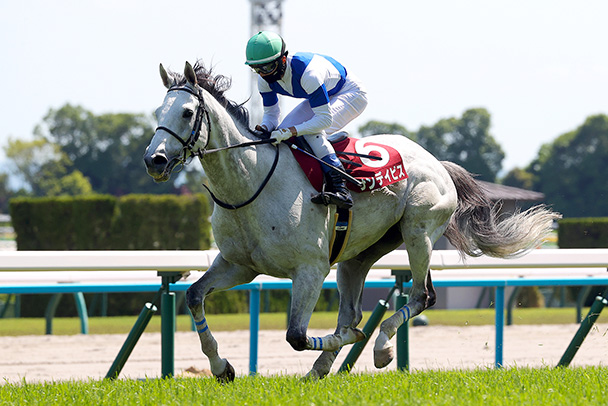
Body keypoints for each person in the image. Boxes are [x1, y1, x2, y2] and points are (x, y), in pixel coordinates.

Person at [245, 31, 368, 210]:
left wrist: (291, 131)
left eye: (267, 67)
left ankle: (341, 188)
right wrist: (263, 129)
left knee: (310, 132)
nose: (263, 74)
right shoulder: (263, 80)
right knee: (281, 132)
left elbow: (324, 120)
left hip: (351, 93)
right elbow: (271, 115)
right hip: (324, 95)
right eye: (257, 69)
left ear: (283, 59)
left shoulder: (308, 75)